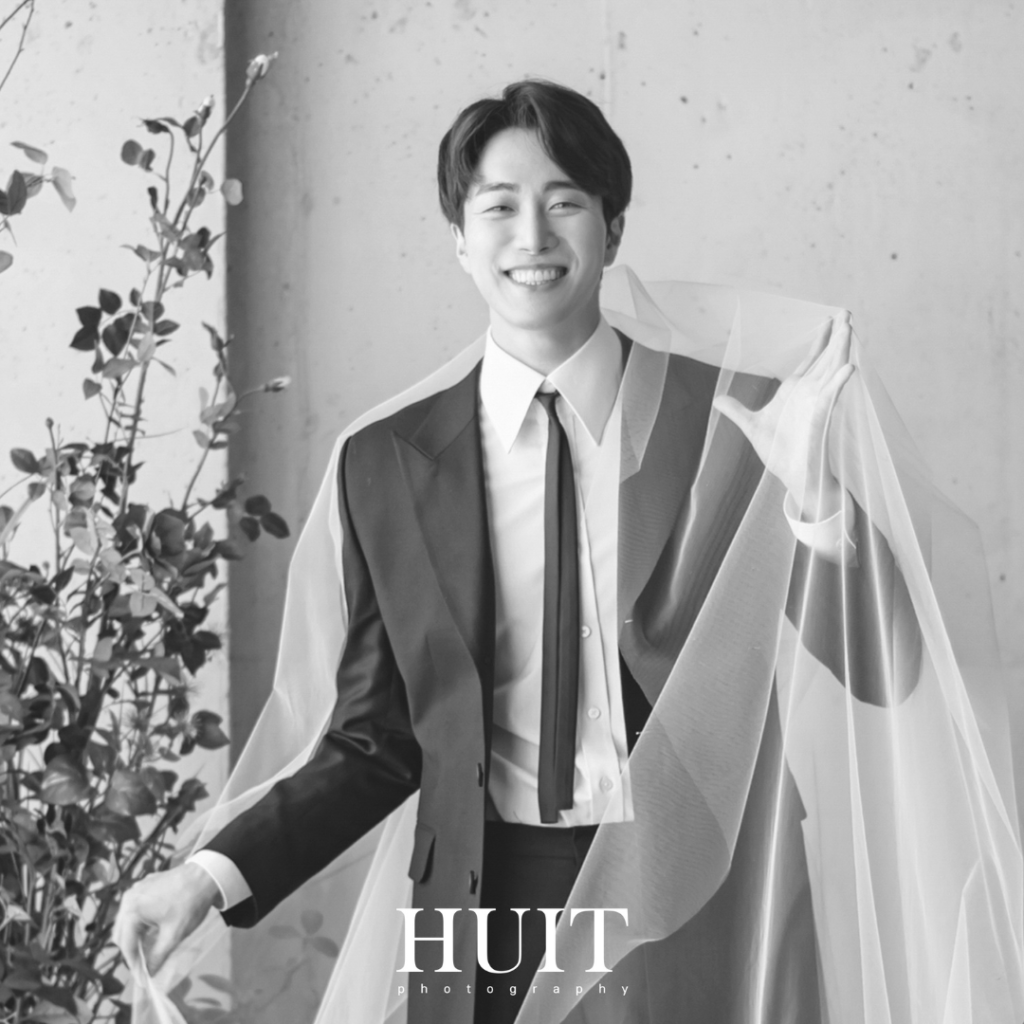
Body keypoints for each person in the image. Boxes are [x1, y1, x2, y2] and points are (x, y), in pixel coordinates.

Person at [115, 80, 942, 1024]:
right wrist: (207, 876)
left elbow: (888, 668)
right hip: (481, 903)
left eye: (565, 202)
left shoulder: (735, 420)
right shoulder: (387, 462)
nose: (533, 236)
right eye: (499, 206)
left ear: (613, 230)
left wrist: (814, 495)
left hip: (702, 890)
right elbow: (377, 740)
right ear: (459, 238)